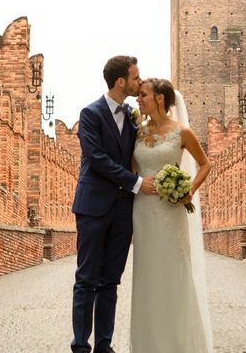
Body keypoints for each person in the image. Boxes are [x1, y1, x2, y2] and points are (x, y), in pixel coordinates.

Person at [70, 56, 156, 353]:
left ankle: (104, 346)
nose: (139, 82)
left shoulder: (133, 116)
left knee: (110, 281)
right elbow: (97, 160)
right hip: (93, 207)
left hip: (123, 211)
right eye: (135, 78)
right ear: (121, 81)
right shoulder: (90, 114)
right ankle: (81, 346)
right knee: (86, 279)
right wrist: (135, 183)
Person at [130, 78, 214, 352]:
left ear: (160, 99)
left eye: (143, 95)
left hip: (171, 214)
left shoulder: (182, 132)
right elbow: (132, 172)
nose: (138, 99)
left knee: (174, 275)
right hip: (143, 213)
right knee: (148, 278)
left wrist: (189, 190)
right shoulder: (137, 134)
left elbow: (204, 164)